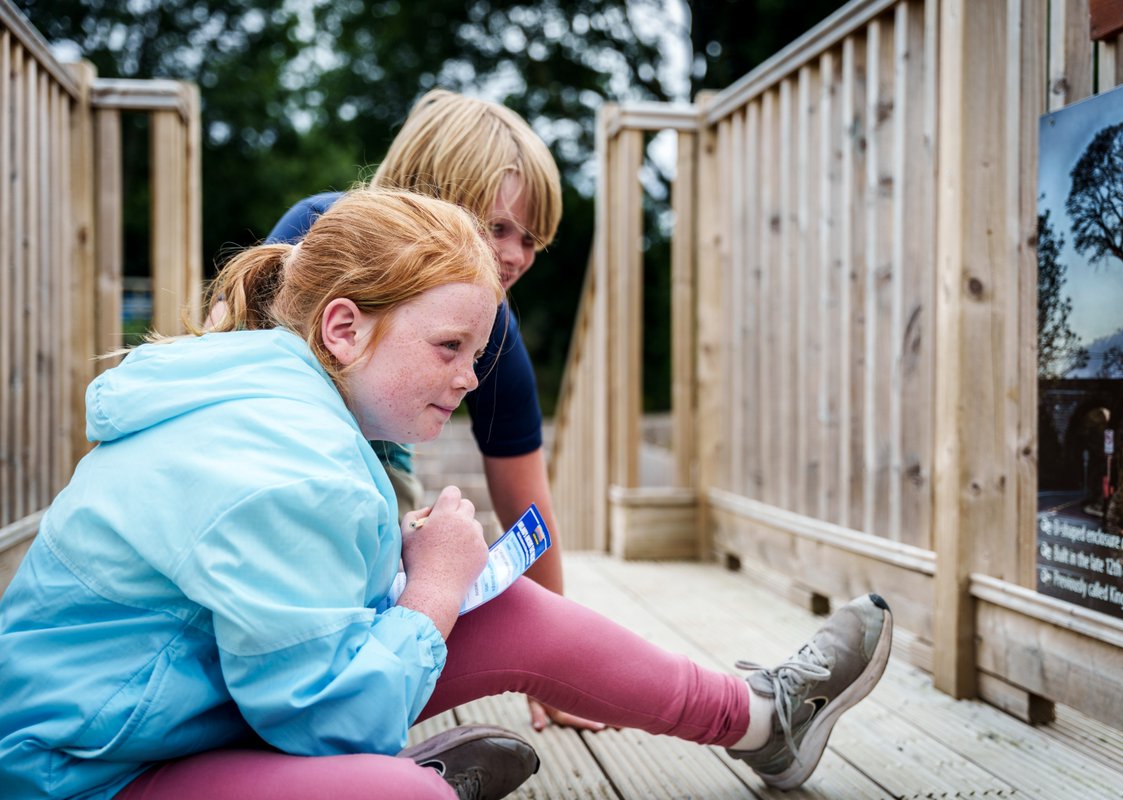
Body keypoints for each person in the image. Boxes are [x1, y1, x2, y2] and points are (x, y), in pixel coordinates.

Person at [0, 187, 894, 800]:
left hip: (197, 707)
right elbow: (325, 719)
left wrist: (427, 574)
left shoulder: (295, 405)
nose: (470, 377)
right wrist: (430, 586)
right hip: (88, 770)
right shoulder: (285, 466)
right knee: (393, 792)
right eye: (448, 348)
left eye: (477, 353)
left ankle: (766, 717)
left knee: (510, 615)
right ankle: (423, 778)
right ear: (343, 327)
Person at [264, 89, 584, 733]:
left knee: (394, 540)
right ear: (430, 195)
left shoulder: (495, 331)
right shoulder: (319, 234)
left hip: (376, 474)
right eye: (498, 228)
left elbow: (527, 503)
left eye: (532, 238)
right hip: (271, 459)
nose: (517, 255)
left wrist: (558, 668)